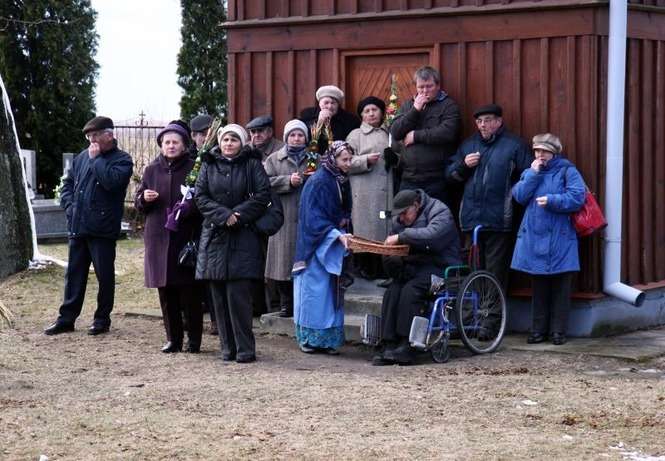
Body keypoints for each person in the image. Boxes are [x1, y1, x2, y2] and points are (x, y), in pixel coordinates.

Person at [44, 116, 133, 336]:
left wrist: (96, 160)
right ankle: (66, 319)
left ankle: (101, 319)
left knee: (105, 276)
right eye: (88, 137)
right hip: (78, 225)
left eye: (95, 136)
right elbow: (67, 184)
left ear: (109, 135)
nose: (91, 141)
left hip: (103, 228)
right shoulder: (82, 157)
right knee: (74, 275)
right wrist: (69, 206)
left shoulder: (123, 160)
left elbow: (112, 183)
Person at [194, 124, 271, 363]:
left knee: (239, 297)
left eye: (234, 140)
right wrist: (223, 215)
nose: (229, 144)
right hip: (215, 236)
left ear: (242, 142)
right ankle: (227, 349)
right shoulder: (208, 164)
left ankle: (245, 349)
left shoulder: (252, 164)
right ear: (220, 141)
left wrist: (238, 215)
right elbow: (201, 196)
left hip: (242, 235)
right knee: (218, 298)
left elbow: (263, 195)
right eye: (225, 139)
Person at [445, 104, 531, 292]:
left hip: (498, 221)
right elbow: (450, 177)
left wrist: (514, 195)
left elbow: (528, 179)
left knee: (495, 274)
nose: (483, 125)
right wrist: (463, 166)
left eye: (488, 120)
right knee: (472, 272)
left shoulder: (514, 145)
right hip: (471, 221)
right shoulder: (468, 145)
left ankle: (493, 311)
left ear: (499, 122)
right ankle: (474, 310)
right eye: (479, 121)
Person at [511, 133, 585, 346]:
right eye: (537, 150)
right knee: (539, 287)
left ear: (554, 152)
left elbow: (577, 197)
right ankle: (538, 331)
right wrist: (533, 173)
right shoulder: (530, 171)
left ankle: (558, 332)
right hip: (535, 238)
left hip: (561, 238)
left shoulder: (567, 171)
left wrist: (553, 200)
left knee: (561, 288)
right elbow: (519, 196)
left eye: (544, 151)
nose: (540, 155)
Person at [134, 123, 203, 353]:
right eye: (167, 142)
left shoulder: (194, 168)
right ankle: (173, 339)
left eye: (175, 142)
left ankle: (194, 340)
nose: (171, 146)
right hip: (159, 237)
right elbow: (139, 202)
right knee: (166, 292)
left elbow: (203, 199)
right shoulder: (151, 170)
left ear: (184, 145)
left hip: (184, 236)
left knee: (189, 292)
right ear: (161, 145)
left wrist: (188, 208)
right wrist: (144, 198)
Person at [373, 189, 461, 366]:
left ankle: (408, 343)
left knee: (411, 290)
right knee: (393, 289)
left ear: (416, 205)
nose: (401, 218)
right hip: (414, 265)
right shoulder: (401, 221)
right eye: (399, 215)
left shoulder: (439, 211)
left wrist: (401, 236)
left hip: (439, 266)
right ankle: (389, 342)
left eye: (404, 213)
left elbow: (433, 236)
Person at [292, 140, 354, 354]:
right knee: (314, 294)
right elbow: (312, 217)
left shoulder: (340, 179)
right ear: (333, 159)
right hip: (316, 246)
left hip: (332, 243)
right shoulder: (318, 181)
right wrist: (336, 234)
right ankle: (310, 339)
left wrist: (345, 223)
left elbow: (344, 210)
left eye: (350, 159)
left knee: (329, 294)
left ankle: (329, 340)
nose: (349, 163)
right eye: (344, 159)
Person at [390, 66, 461, 207]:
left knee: (436, 216)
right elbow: (396, 131)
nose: (424, 91)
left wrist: (416, 136)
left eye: (429, 86)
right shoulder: (408, 105)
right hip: (409, 177)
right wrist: (415, 110)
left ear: (438, 86)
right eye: (420, 87)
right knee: (404, 216)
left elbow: (448, 132)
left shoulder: (448, 105)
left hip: (436, 179)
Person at [264, 120, 310, 318]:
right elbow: (264, 183)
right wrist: (287, 181)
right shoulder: (274, 159)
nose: (296, 138)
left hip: (306, 217)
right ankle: (286, 304)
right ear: (286, 138)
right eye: (292, 135)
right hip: (282, 216)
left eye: (300, 135)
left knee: (304, 262)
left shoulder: (313, 158)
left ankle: (303, 302)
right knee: (282, 263)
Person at [346, 96, 392, 279]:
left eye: (375, 110)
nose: (371, 114)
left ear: (382, 113)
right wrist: (365, 160)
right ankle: (364, 267)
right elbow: (345, 162)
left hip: (386, 193)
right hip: (364, 194)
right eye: (367, 111)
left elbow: (399, 156)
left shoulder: (389, 133)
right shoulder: (355, 135)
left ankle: (382, 267)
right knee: (365, 229)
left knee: (384, 226)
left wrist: (395, 158)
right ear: (362, 116)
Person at [299, 85, 360, 154]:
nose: (329, 106)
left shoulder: (350, 120)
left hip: (338, 157)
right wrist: (319, 122)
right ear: (319, 103)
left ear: (338, 105)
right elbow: (305, 137)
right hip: (313, 156)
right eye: (326, 103)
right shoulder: (307, 115)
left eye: (333, 103)